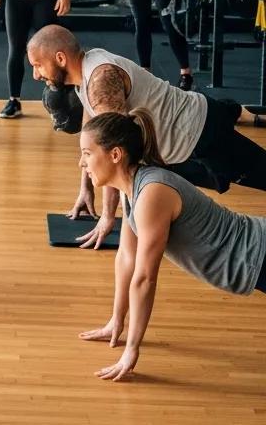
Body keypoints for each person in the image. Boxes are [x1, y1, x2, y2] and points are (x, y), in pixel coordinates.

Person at [27, 24, 266, 249]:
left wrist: (108, 217)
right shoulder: (84, 76)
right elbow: (92, 136)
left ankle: (231, 113)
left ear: (60, 58)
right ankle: (232, 110)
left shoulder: (101, 79)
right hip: (181, 139)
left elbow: (112, 152)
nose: (36, 75)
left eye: (38, 65)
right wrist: (85, 188)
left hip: (201, 133)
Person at [76, 110, 266, 382]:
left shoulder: (152, 193)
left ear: (115, 154)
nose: (81, 163)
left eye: (87, 153)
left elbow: (144, 279)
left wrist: (131, 349)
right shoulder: (132, 189)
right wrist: (116, 321)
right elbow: (127, 258)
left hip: (258, 254)